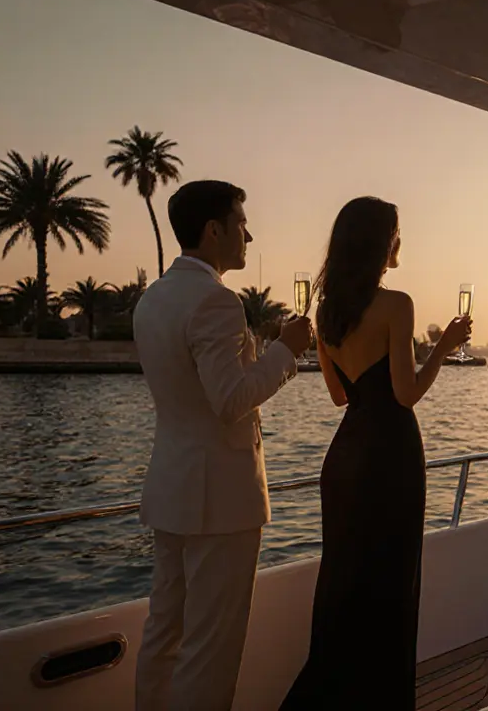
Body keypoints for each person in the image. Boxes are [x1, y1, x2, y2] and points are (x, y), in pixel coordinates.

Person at [280, 196, 471, 708]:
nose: (399, 242)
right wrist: (443, 348)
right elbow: (406, 394)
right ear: (382, 243)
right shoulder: (396, 305)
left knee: (343, 585)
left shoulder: (327, 311)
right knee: (390, 589)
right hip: (391, 458)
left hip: (345, 459)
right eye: (395, 233)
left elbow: (339, 396)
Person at [133, 180, 313, 711]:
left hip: (171, 493)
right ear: (214, 230)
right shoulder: (217, 300)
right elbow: (230, 400)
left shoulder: (152, 299)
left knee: (163, 634)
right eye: (241, 224)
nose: (248, 236)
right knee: (211, 650)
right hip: (222, 504)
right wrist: (286, 351)